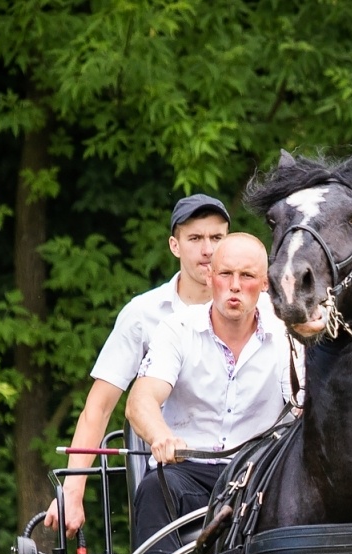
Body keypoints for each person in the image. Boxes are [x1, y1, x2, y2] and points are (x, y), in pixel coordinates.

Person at [44, 194, 231, 533]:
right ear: (174, 245)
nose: (208, 250)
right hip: (176, 468)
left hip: (247, 464)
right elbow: (98, 408)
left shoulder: (261, 311)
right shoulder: (143, 315)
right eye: (195, 238)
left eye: (217, 238)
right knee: (157, 491)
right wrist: (73, 490)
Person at [125, 233, 295, 554]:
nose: (234, 286)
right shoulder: (177, 329)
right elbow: (140, 400)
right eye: (225, 274)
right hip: (186, 472)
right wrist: (161, 435)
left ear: (264, 283)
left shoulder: (287, 334)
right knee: (154, 491)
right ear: (209, 277)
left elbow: (305, 403)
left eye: (246, 276)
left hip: (258, 476)